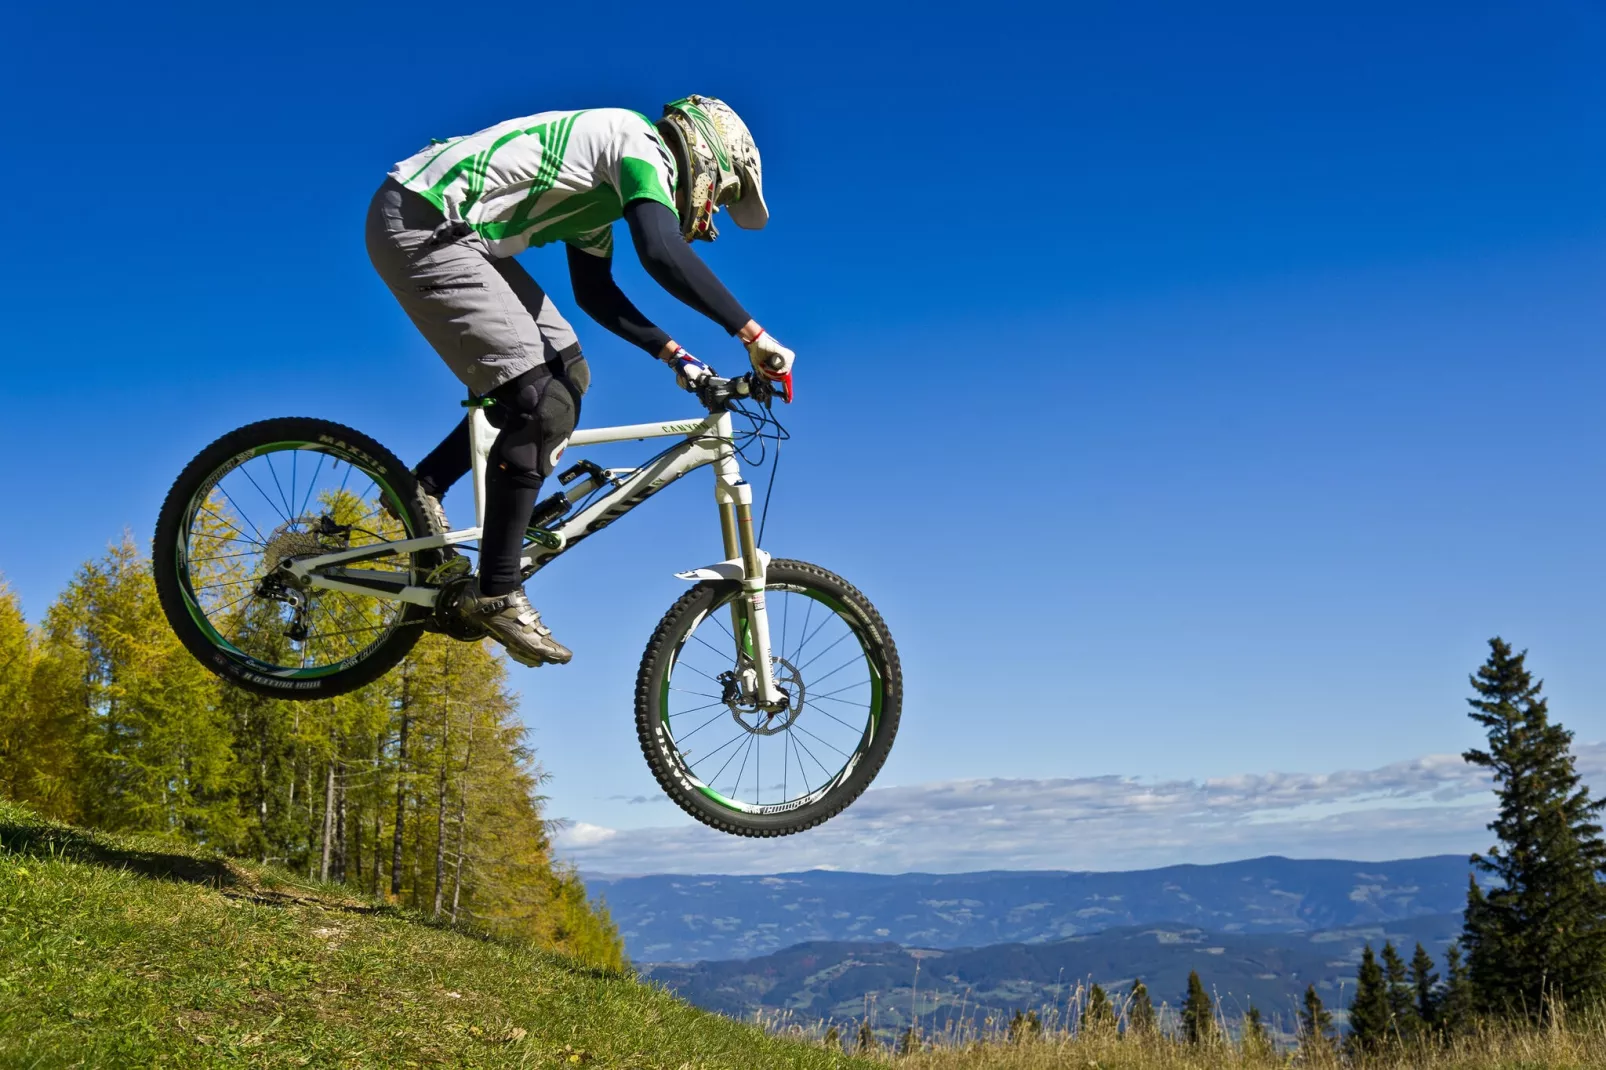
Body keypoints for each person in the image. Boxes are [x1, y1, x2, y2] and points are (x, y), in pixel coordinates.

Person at [366, 97, 794, 668]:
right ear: (711, 155)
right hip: (424, 218)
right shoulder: (637, 142)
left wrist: (678, 357)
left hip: (453, 231)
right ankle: (495, 591)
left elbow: (596, 292)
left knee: (570, 373)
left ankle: (425, 485)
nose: (713, 210)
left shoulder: (600, 197)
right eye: (724, 192)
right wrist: (751, 333)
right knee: (543, 403)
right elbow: (661, 252)